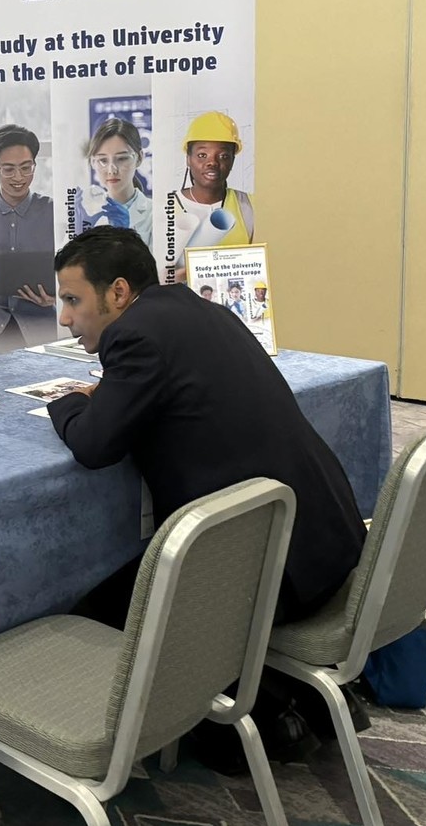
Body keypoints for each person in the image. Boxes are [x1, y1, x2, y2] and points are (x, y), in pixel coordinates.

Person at [45, 227, 366, 768]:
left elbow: (95, 445)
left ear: (118, 293)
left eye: (73, 300)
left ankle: (251, 719)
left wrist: (69, 404)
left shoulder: (135, 337)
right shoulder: (200, 310)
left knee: (88, 611)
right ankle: (290, 699)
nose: (65, 318)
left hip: (271, 572)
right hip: (325, 541)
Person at [0, 124, 56, 348]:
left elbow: (69, 271)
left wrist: (55, 297)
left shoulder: (53, 211)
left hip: (42, 323)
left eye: (26, 167)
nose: (19, 177)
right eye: (9, 169)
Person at [161, 112, 255, 282]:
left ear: (232, 161)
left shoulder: (250, 206)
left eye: (223, 156)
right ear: (188, 159)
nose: (212, 162)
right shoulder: (163, 208)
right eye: (202, 155)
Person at [76, 117, 153, 249]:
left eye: (122, 158)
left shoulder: (155, 214)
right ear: (93, 162)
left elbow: (158, 262)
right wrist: (78, 237)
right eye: (103, 160)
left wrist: (126, 237)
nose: (112, 170)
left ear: (139, 158)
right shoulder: (86, 215)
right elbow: (65, 262)